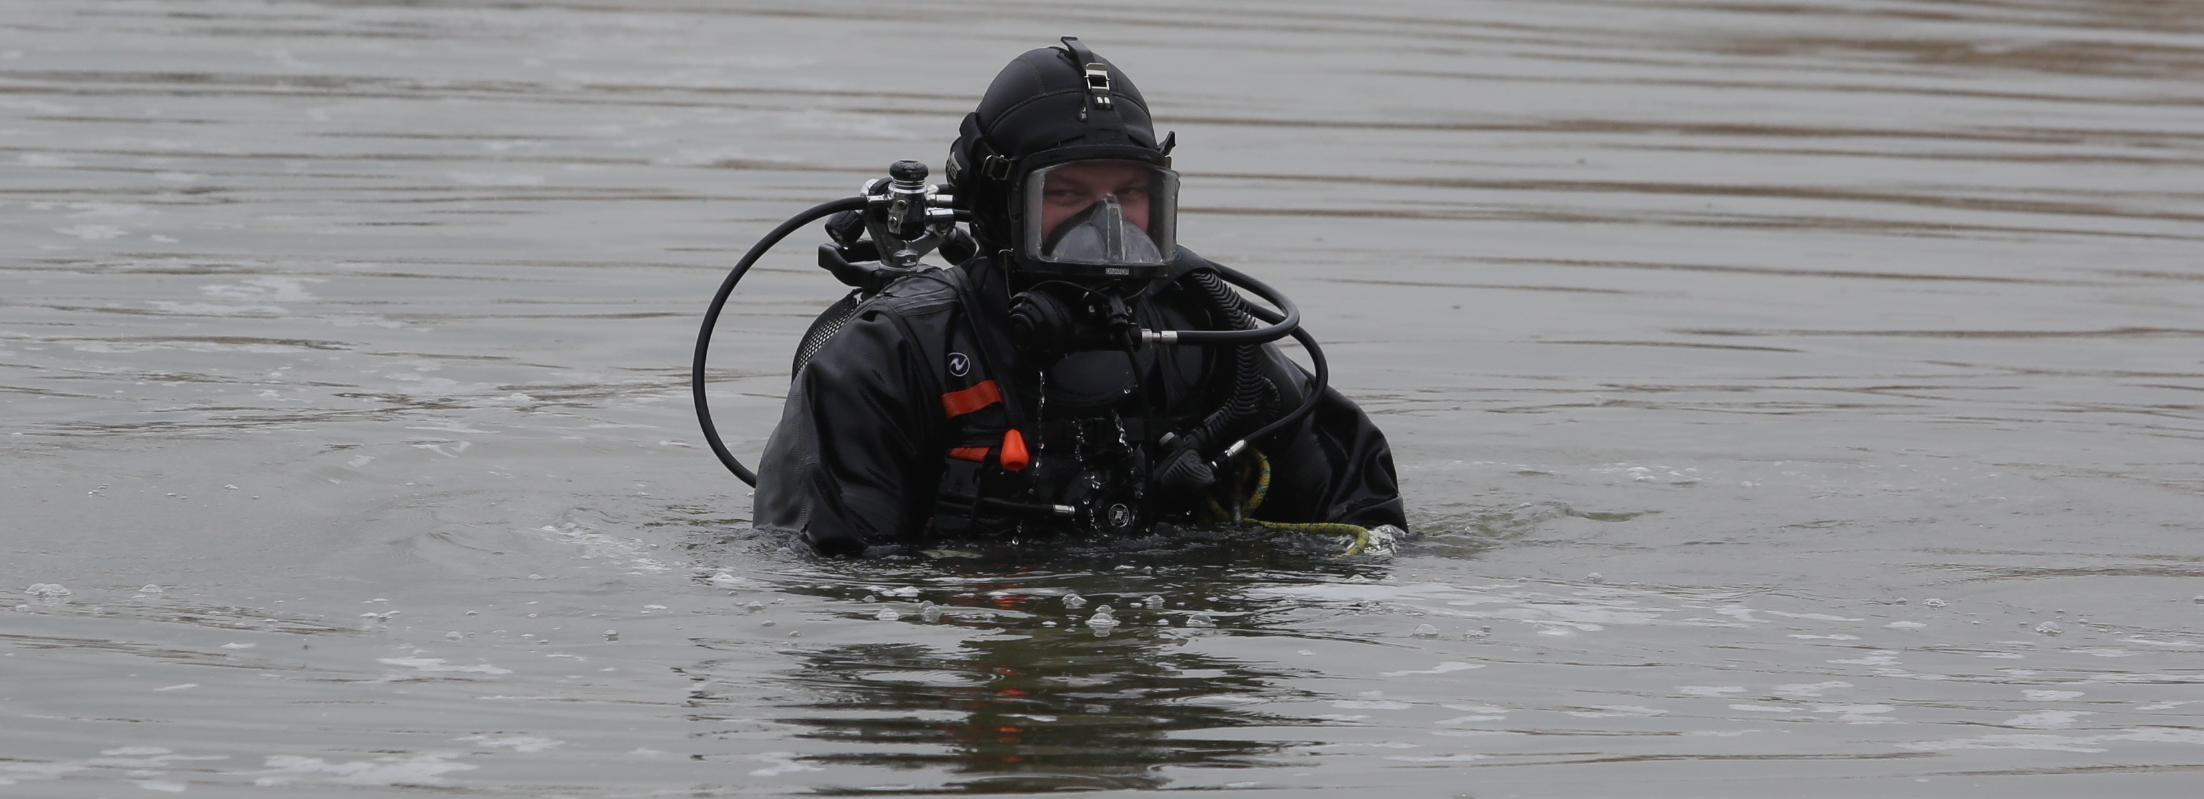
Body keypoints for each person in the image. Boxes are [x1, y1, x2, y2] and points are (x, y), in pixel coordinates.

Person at [754, 38, 1405, 557]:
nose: (1107, 228)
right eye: (1067, 196)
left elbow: (1366, 522)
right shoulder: (891, 358)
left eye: (1131, 195)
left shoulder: (1210, 340)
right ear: (997, 206)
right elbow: (829, 591)